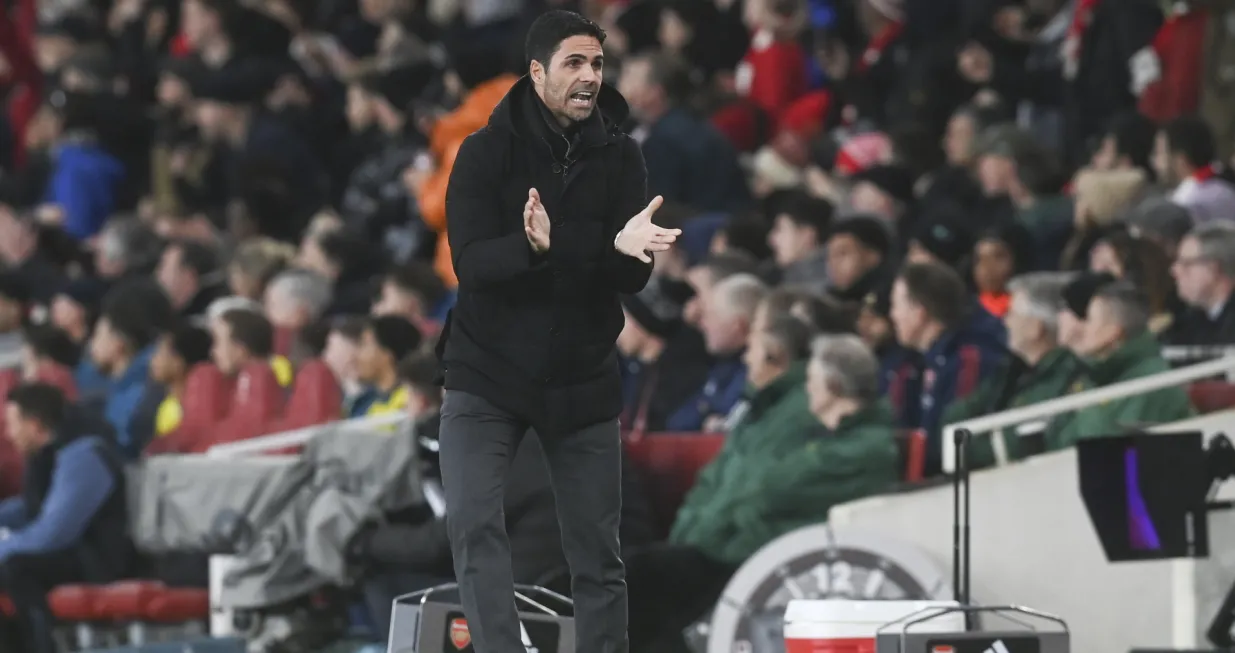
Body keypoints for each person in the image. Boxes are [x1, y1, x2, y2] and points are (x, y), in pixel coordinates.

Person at [436, 10, 680, 653]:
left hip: (580, 376)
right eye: (574, 63)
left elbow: (631, 275)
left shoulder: (622, 154)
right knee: (472, 521)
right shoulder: (485, 152)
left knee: (599, 555)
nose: (590, 77)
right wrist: (545, 247)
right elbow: (474, 265)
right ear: (538, 71)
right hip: (486, 371)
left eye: (597, 64)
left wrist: (617, 252)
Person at [0, 383, 133, 653]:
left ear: (35, 425)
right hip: (71, 553)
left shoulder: (84, 456)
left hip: (99, 560)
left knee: (15, 568)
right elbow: (31, 509)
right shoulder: (45, 456)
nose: (8, 434)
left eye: (12, 424)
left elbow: (54, 534)